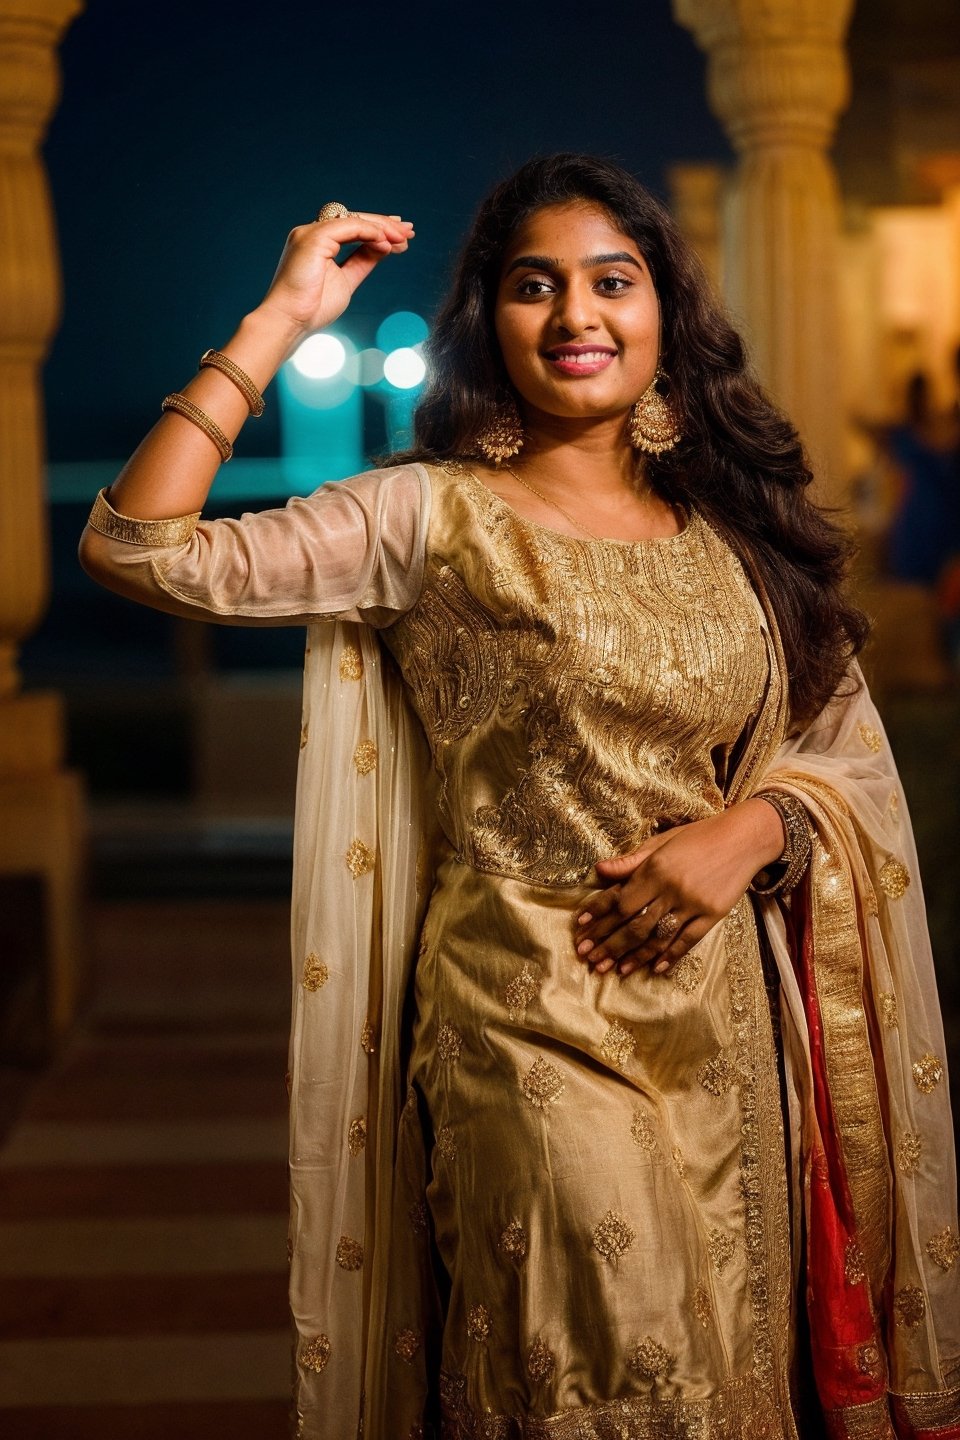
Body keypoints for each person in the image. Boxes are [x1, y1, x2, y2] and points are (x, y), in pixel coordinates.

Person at [79, 155, 958, 1440]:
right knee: (605, 1387)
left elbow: (843, 756)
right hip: (525, 1033)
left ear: (667, 311)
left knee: (734, 1390)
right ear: (488, 322)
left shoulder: (730, 532)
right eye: (533, 287)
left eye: (613, 281)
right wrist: (279, 321)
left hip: (733, 1044)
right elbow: (136, 547)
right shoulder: (428, 517)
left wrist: (753, 831)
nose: (577, 316)